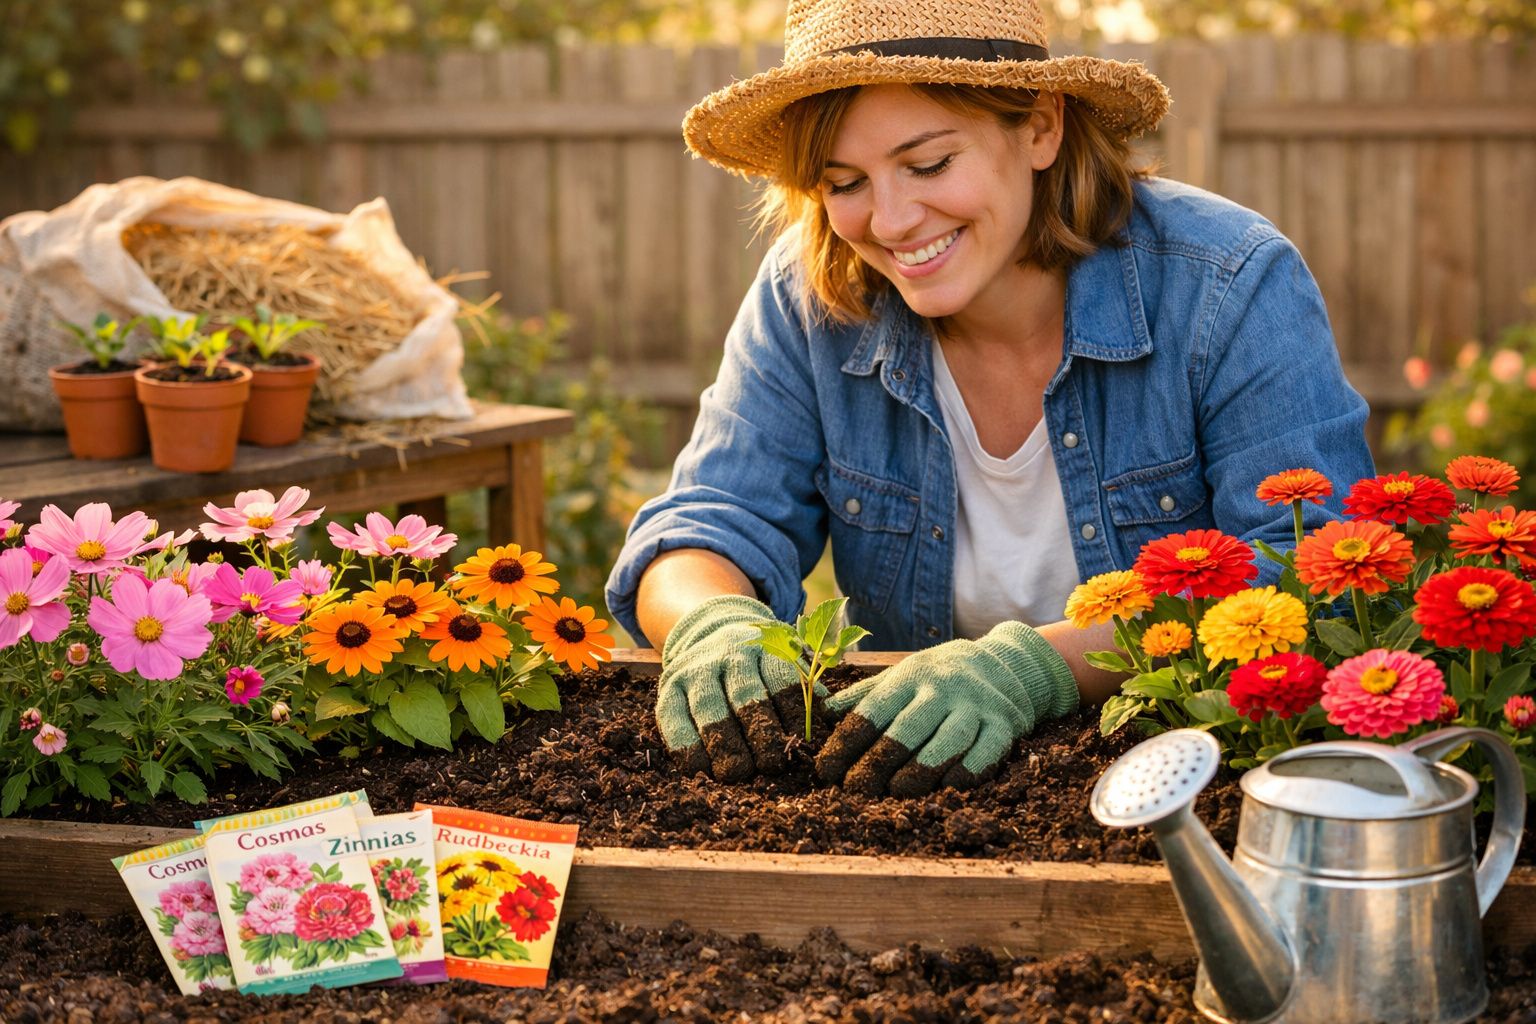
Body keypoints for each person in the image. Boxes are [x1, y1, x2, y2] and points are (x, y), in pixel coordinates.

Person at [604, 0, 1375, 797]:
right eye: (845, 182)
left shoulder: (1226, 284)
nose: (893, 220)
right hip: (914, 793)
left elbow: (1312, 573)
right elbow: (708, 524)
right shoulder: (811, 298)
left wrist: (1033, 669)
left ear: (1041, 126)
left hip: (1183, 776)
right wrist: (710, 621)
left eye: (929, 163)